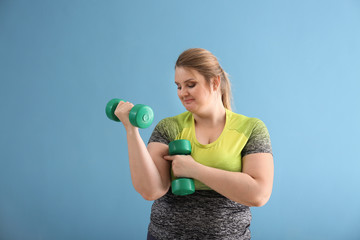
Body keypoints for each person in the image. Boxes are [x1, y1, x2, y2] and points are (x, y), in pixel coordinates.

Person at [114, 48, 274, 240]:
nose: (182, 93)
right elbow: (151, 190)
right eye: (178, 86)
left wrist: (194, 169)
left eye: (190, 85)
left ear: (215, 82)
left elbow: (258, 194)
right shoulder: (169, 127)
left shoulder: (251, 128)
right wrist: (131, 131)